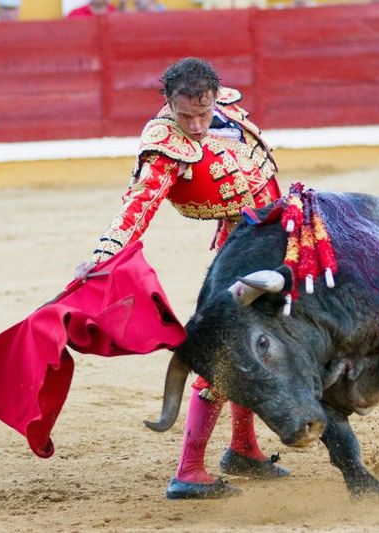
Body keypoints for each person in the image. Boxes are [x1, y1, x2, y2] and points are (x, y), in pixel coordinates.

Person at [75, 57, 288, 499]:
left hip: (276, 237)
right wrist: (103, 254)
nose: (194, 125)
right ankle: (188, 470)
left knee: (260, 341)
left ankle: (243, 447)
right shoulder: (165, 148)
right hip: (240, 253)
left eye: (203, 113)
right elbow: (136, 206)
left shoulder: (225, 110)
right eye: (184, 114)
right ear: (167, 103)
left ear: (215, 97)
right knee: (229, 353)